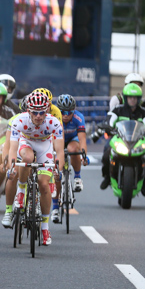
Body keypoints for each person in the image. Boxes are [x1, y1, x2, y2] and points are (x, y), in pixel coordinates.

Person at [3, 90, 64, 246]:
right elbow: (12, 148)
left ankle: (45, 227)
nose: (38, 116)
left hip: (45, 146)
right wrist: (10, 167)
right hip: (26, 142)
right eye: (35, 112)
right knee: (27, 159)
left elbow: (60, 151)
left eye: (42, 112)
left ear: (47, 110)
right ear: (28, 111)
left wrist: (59, 171)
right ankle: (21, 190)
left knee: (44, 185)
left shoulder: (54, 123)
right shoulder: (19, 121)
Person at [100, 83, 145, 196]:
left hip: (137, 141)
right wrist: (108, 126)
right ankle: (107, 177)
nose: (132, 100)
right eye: (130, 97)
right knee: (106, 155)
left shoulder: (143, 112)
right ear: (125, 98)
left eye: (135, 98)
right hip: (121, 139)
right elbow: (109, 119)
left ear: (139, 99)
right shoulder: (118, 110)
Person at [52, 94, 89, 223]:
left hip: (73, 139)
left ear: (74, 111)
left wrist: (84, 155)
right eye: (62, 112)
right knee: (56, 169)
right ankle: (55, 207)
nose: (66, 115)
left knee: (74, 150)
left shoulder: (79, 118)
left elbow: (82, 140)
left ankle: (77, 177)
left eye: (69, 112)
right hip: (58, 140)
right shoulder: (54, 118)